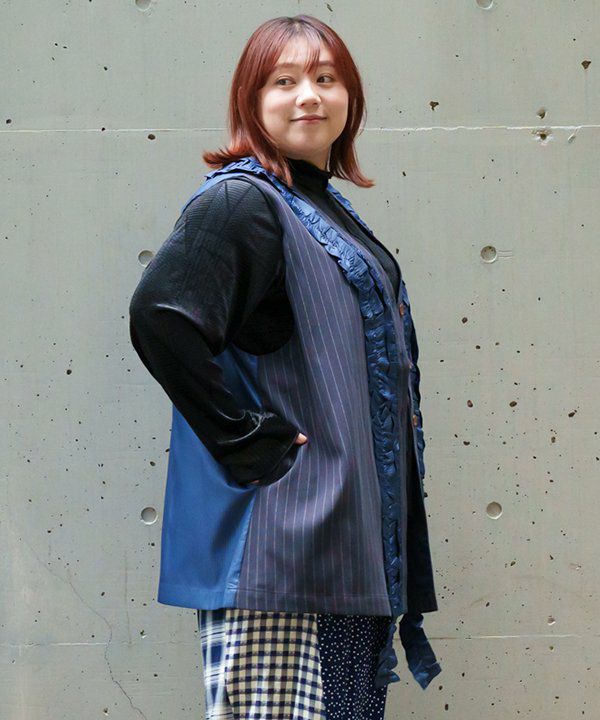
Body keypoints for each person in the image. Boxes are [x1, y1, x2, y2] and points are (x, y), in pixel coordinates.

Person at [129, 13, 442, 720]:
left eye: (326, 79)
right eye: (285, 80)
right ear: (251, 99)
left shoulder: (318, 206)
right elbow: (161, 316)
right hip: (282, 555)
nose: (309, 95)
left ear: (350, 98)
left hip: (343, 555)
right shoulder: (243, 201)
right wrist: (247, 442)